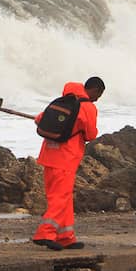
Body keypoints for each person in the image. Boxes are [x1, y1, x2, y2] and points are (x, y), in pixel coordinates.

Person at [32, 77, 105, 251]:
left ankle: (65, 237)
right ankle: (45, 233)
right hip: (66, 158)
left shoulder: (63, 101)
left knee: (60, 197)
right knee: (61, 197)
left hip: (49, 156)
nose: (98, 98)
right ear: (94, 90)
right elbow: (91, 135)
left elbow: (40, 120)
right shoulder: (88, 107)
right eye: (99, 94)